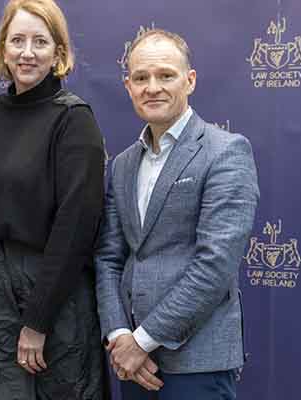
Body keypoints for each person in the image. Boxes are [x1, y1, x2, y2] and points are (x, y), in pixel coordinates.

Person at [0, 0, 108, 399]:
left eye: (40, 41)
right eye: (17, 40)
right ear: (2, 48)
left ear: (58, 52)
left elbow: (76, 226)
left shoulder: (74, 120)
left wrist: (38, 320)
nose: (27, 52)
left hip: (46, 296)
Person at [95, 29, 259, 399]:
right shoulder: (122, 164)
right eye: (141, 78)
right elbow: (108, 257)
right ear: (128, 86)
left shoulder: (226, 152)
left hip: (197, 364)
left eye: (165, 75)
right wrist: (119, 336)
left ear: (190, 80)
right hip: (132, 365)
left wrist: (142, 340)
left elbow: (215, 264)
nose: (152, 87)